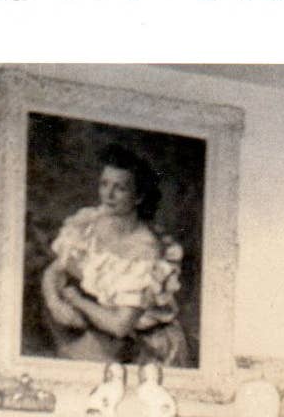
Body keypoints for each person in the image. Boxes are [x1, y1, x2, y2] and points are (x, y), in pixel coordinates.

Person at [41, 142, 190, 367]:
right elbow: (56, 269)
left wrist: (76, 300)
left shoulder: (144, 250)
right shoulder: (90, 222)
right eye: (104, 184)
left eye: (119, 188)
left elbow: (120, 326)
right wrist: (54, 302)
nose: (108, 195)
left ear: (138, 197)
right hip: (100, 329)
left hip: (143, 347)